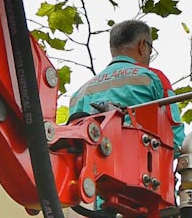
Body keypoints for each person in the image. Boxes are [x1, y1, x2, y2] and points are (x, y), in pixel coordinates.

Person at [67, 19, 185, 149]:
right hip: (138, 161)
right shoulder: (153, 77)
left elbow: (72, 138)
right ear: (142, 45)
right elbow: (175, 136)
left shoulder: (78, 94)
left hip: (91, 164)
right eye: (150, 51)